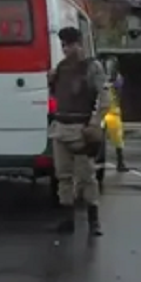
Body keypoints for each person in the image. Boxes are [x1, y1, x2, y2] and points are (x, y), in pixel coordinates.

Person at [48, 26, 110, 236]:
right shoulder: (62, 68)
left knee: (86, 176)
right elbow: (57, 95)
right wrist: (51, 80)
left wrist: (95, 122)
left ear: (79, 44)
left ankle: (94, 220)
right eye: (63, 45)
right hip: (61, 127)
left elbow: (105, 98)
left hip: (81, 128)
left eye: (70, 45)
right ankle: (67, 219)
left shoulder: (92, 67)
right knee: (63, 176)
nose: (66, 49)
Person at [101, 57, 128, 172]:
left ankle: (120, 162)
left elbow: (118, 87)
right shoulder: (100, 77)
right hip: (102, 112)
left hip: (113, 112)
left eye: (111, 66)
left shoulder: (118, 78)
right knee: (96, 137)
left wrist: (110, 84)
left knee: (118, 139)